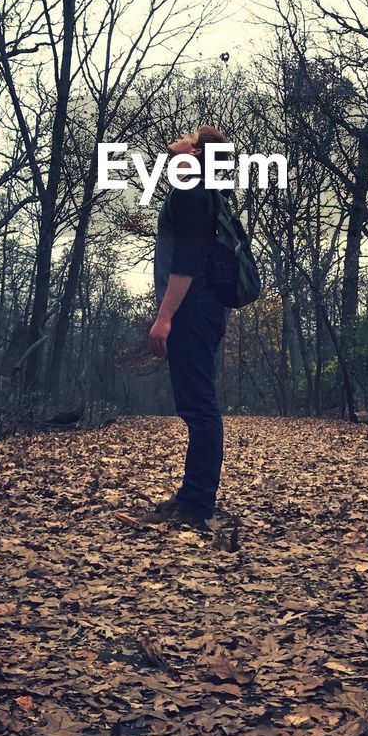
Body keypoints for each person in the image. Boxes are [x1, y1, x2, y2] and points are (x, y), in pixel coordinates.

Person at [141, 125, 231, 530]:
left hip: (193, 310)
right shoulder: (198, 189)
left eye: (187, 137)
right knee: (196, 406)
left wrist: (164, 317)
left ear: (196, 153)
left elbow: (188, 263)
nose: (175, 138)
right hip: (199, 309)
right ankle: (192, 496)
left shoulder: (193, 191)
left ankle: (196, 504)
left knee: (199, 408)